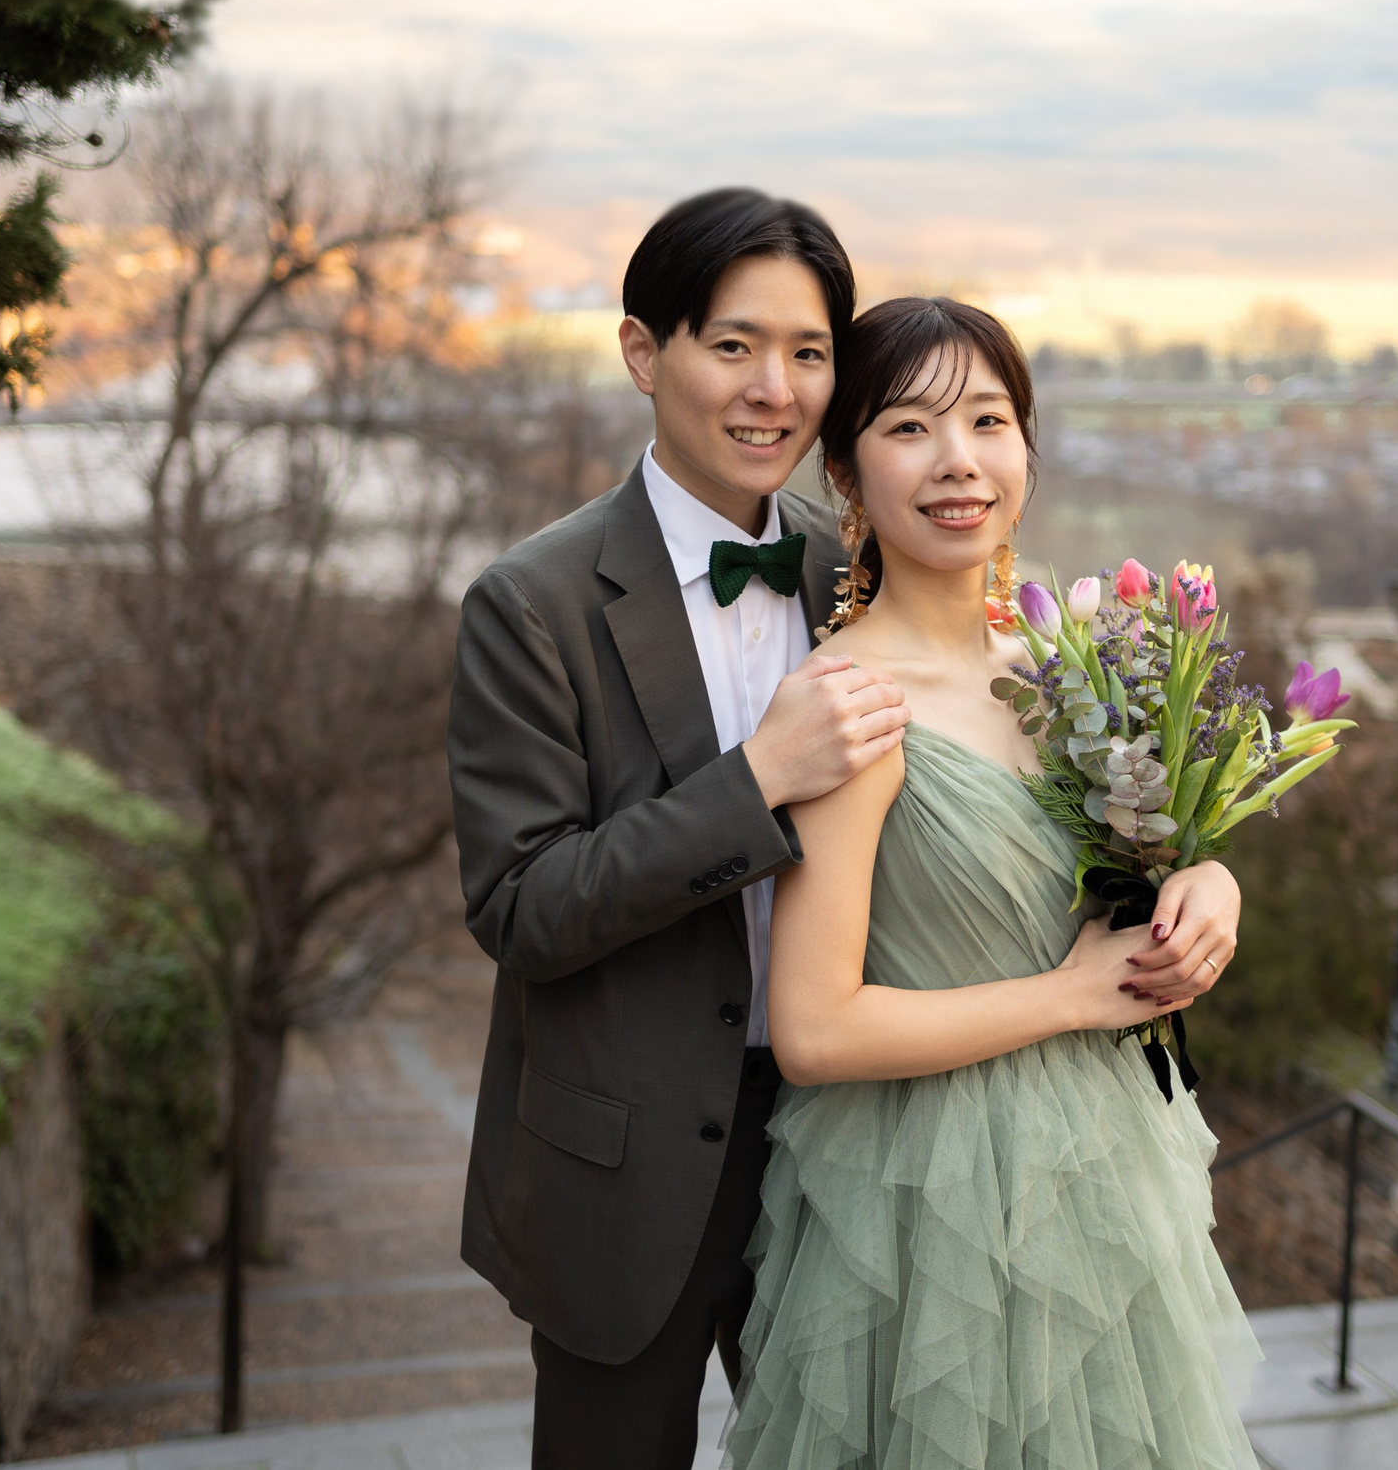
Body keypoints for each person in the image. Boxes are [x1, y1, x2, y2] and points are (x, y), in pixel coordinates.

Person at [447, 196, 1238, 1467]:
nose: (773, 388)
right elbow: (521, 909)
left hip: (881, 1161)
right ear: (646, 354)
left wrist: (1202, 867)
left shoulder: (865, 560)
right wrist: (753, 780)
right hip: (638, 1152)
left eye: (808, 354)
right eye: (732, 347)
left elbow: (1051, 812)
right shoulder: (531, 603)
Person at [725, 296, 1261, 1469]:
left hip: (1106, 1160)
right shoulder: (850, 702)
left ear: (1026, 448)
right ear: (846, 474)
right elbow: (812, 1028)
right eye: (910, 428)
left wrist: (1209, 881)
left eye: (987, 420)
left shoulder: (1073, 665)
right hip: (931, 1194)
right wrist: (1069, 997)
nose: (958, 461)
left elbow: (1138, 870)